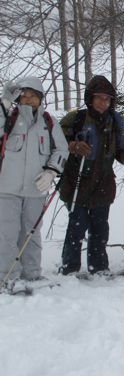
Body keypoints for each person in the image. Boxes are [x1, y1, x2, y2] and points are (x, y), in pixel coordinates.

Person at [58, 75, 124, 275]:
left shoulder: (114, 121)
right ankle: (70, 267)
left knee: (100, 228)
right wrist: (73, 146)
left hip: (103, 182)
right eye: (99, 98)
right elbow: (56, 141)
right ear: (90, 98)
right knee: (77, 227)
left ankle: (99, 266)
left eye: (107, 99)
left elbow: (121, 147)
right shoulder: (76, 119)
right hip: (77, 181)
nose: (103, 102)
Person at [0, 77, 68, 287]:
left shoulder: (49, 122)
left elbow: (61, 150)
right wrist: (3, 105)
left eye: (33, 96)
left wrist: (51, 172)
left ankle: (32, 274)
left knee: (31, 233)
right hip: (6, 188)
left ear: (41, 99)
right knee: (6, 235)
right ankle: (7, 276)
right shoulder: (9, 118)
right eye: (25, 95)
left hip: (35, 189)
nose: (28, 99)